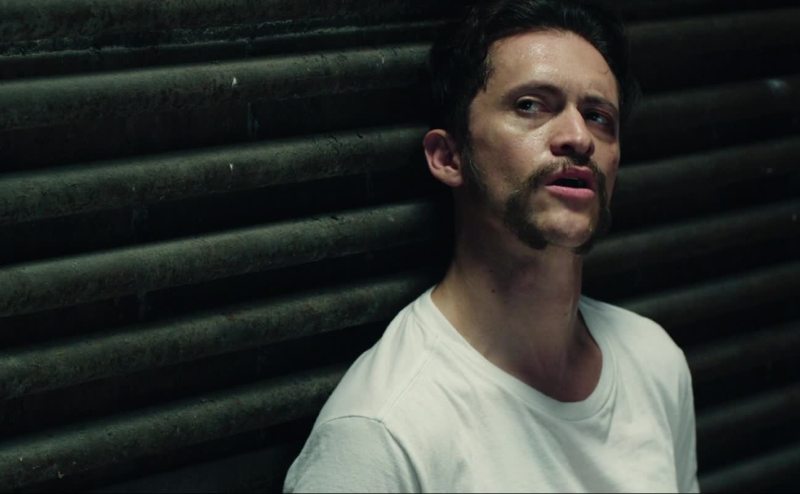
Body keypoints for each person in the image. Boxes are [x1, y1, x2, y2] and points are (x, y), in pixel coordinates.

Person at [284, 0, 699, 491]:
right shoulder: (381, 434)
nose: (578, 137)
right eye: (530, 106)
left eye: (598, 116)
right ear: (449, 157)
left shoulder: (654, 363)